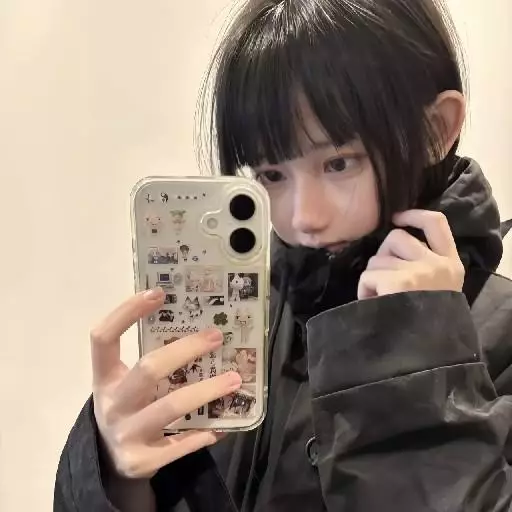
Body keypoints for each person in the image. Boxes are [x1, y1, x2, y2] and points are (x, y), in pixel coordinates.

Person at [54, 1, 512, 511]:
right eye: (271, 175)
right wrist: (118, 480)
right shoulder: (243, 319)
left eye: (339, 163)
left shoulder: (500, 336)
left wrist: (416, 365)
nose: (302, 217)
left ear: (436, 130)